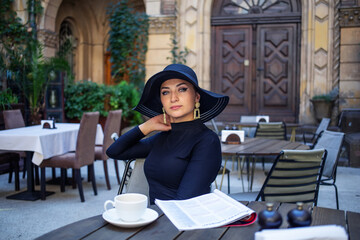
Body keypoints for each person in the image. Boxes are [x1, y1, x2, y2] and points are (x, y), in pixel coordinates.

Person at [106, 64, 229, 204]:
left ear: (196, 97)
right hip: (155, 219)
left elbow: (184, 205)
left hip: (180, 223)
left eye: (182, 89)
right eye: (165, 92)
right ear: (162, 101)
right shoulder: (162, 137)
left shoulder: (207, 141)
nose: (173, 98)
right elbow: (114, 151)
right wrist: (147, 126)